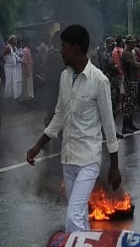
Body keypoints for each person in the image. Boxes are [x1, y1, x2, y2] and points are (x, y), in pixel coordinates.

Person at [25, 24, 121, 233]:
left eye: (64, 46)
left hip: (88, 160)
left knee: (73, 217)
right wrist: (37, 146)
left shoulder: (99, 81)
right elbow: (59, 116)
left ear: (75, 48)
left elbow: (108, 124)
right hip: (68, 160)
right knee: (79, 217)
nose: (60, 50)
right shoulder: (65, 77)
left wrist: (114, 166)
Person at [121, 36, 140, 135]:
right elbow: (135, 65)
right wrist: (139, 64)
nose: (134, 44)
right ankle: (125, 125)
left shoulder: (131, 53)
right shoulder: (126, 54)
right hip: (129, 81)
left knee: (132, 103)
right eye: (132, 42)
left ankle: (130, 124)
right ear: (128, 43)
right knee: (129, 103)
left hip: (133, 80)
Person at [2, 35, 23, 100]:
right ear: (12, 40)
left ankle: (13, 97)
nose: (16, 41)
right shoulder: (8, 47)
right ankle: (7, 97)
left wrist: (20, 59)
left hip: (13, 68)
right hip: (8, 68)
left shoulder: (14, 48)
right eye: (15, 40)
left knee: (14, 82)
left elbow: (15, 56)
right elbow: (2, 55)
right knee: (9, 82)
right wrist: (6, 60)